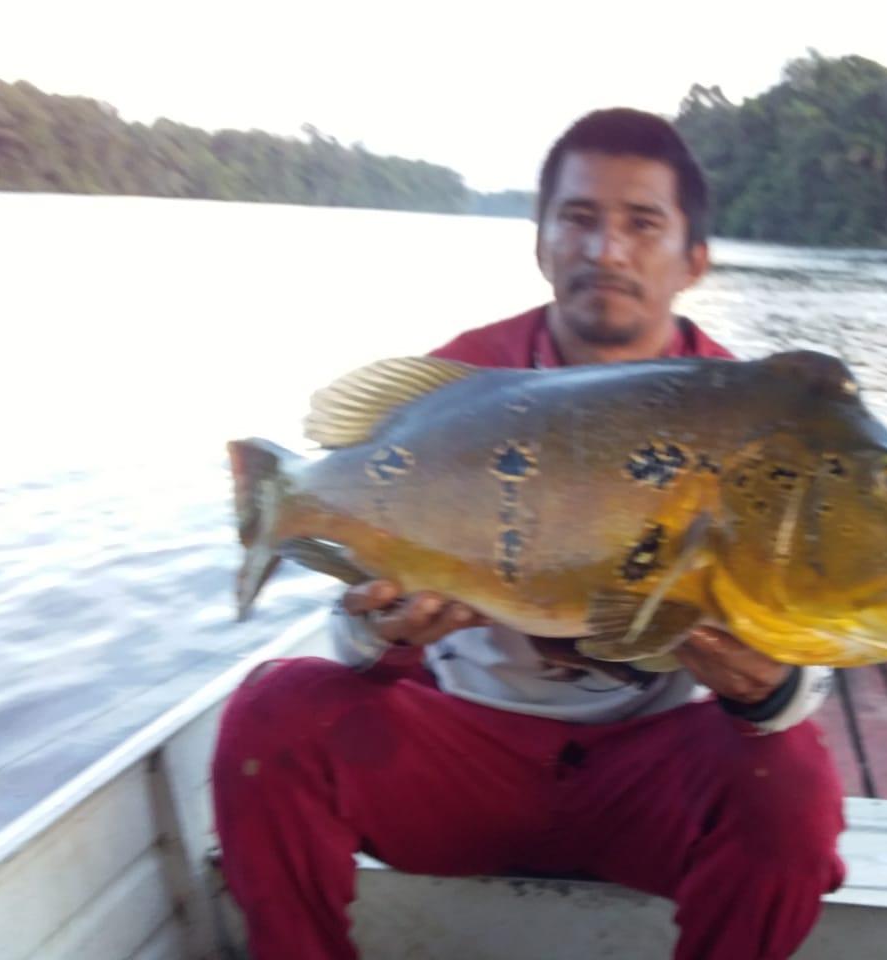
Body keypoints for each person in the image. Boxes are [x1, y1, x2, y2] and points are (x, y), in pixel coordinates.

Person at [212, 107, 846, 960]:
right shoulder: (457, 386)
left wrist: (767, 685)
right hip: (459, 758)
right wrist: (377, 626)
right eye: (579, 219)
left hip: (647, 778)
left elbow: (809, 659)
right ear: (542, 241)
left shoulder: (754, 414)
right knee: (270, 714)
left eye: (641, 224)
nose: (605, 250)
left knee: (791, 781)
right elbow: (356, 630)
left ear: (694, 260)